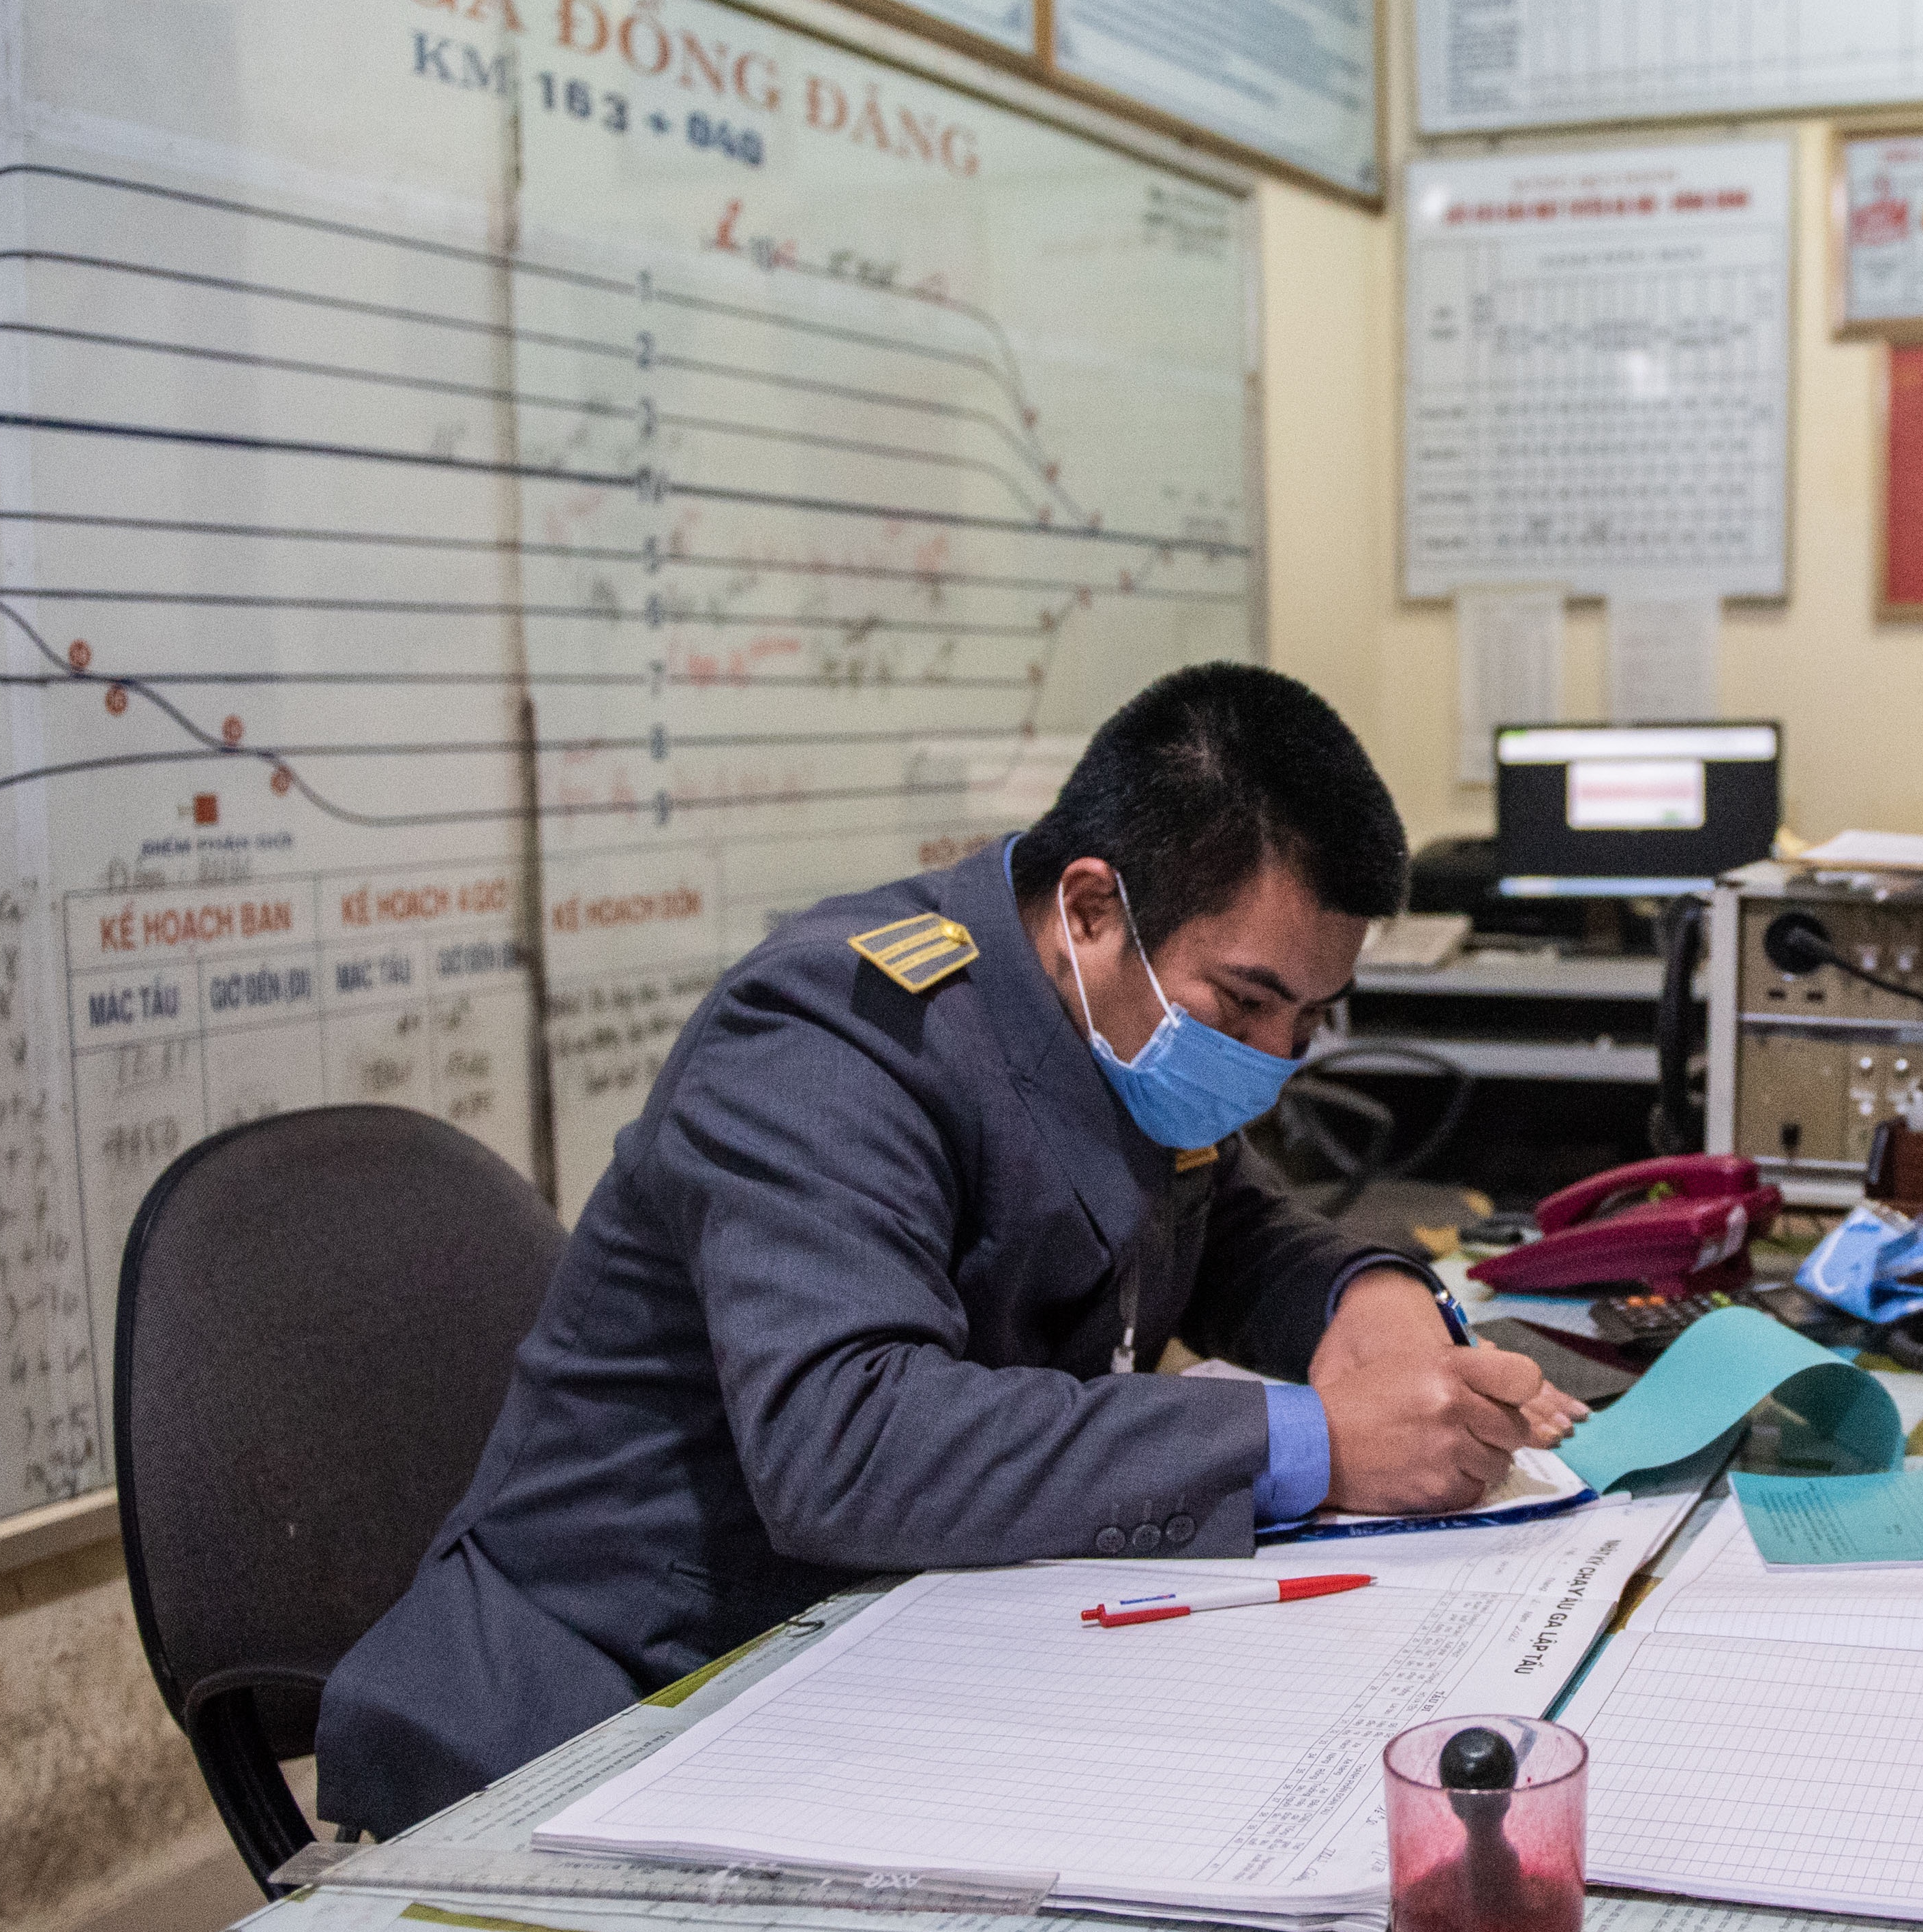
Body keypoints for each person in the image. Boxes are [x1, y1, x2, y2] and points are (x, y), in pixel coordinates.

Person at [318, 663, 1586, 1837]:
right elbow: (848, 1441)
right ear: (1091, 907)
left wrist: (1363, 1296)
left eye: (1308, 1018)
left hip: (894, 1641)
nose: (1273, 1057)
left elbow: (1222, 1224)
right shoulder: (830, 1034)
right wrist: (1309, 1444)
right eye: (1247, 1002)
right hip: (614, 1694)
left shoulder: (1112, 1023)